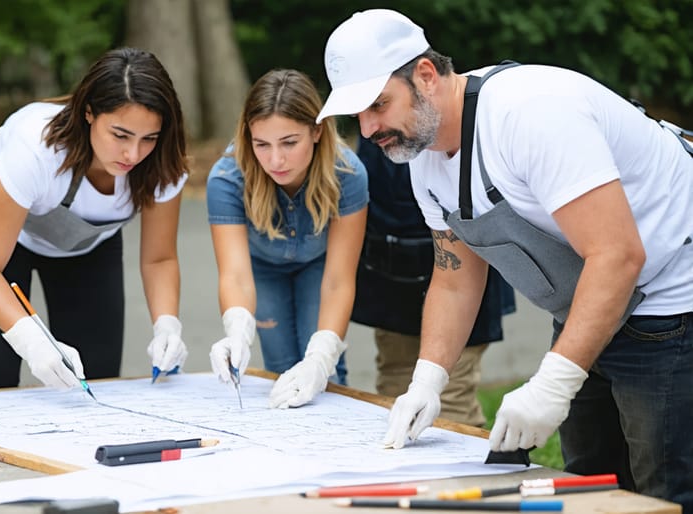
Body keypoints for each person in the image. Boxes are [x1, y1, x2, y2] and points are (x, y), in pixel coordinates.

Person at [317, 9, 693, 510]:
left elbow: (618, 255)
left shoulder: (529, 116)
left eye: (379, 105)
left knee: (664, 490)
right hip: (595, 296)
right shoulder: (423, 156)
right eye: (357, 115)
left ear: (425, 75)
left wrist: (554, 381)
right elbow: (454, 280)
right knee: (588, 485)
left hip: (672, 294)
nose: (368, 129)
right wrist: (428, 379)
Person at [0, 47, 190, 393]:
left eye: (149, 138)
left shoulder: (163, 164)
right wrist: (31, 339)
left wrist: (167, 325)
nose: (133, 154)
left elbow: (159, 258)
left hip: (83, 241)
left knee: (95, 380)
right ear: (89, 112)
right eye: (120, 135)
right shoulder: (36, 147)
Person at [206, 69, 368, 408]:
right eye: (261, 144)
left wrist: (322, 357)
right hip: (262, 269)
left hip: (320, 268)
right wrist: (236, 329)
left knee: (326, 372)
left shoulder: (348, 172)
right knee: (280, 371)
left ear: (317, 131)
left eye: (289, 143)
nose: (275, 160)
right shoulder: (226, 176)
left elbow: (339, 280)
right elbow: (234, 274)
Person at [351, 135, 515, 427]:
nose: (369, 124)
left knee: (450, 404)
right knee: (394, 395)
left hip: (465, 274)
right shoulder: (375, 130)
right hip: (393, 274)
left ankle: (465, 469)